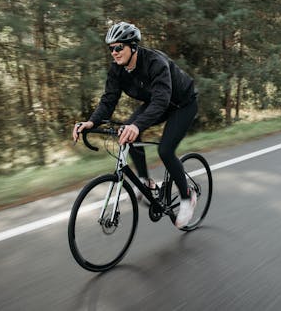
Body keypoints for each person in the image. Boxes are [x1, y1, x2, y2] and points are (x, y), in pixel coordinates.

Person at [72, 22, 198, 228]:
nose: (114, 52)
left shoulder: (156, 63)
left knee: (165, 150)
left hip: (183, 104)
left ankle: (187, 197)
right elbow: (108, 100)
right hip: (158, 103)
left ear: (133, 46)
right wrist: (91, 122)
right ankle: (145, 180)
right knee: (126, 130)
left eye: (119, 47)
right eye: (111, 48)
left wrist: (137, 126)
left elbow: (161, 100)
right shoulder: (117, 70)